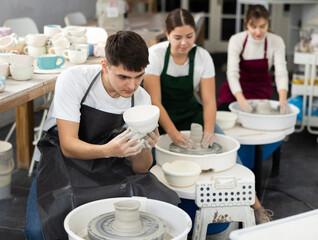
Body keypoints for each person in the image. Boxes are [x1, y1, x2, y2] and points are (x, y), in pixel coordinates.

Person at [24, 31, 180, 240]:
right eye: (123, 77)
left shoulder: (142, 99)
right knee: (39, 232)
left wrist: (145, 147)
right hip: (61, 159)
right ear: (105, 65)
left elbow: (140, 168)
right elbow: (68, 145)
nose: (132, 86)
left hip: (108, 163)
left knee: (163, 205)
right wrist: (109, 150)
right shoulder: (74, 80)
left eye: (138, 76)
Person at [144, 8, 272, 237]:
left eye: (189, 36)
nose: (184, 43)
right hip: (161, 117)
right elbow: (155, 102)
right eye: (178, 37)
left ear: (196, 33)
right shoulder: (155, 55)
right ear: (167, 33)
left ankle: (256, 209)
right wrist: (172, 134)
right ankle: (163, 217)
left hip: (192, 114)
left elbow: (209, 101)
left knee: (230, 154)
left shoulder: (202, 57)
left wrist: (210, 131)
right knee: (156, 165)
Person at [217, 4, 288, 114]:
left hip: (261, 89)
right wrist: (241, 101)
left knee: (259, 115)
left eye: (262, 26)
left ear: (268, 22)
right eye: (253, 27)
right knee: (224, 112)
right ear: (246, 23)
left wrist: (283, 101)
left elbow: (281, 73)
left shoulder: (276, 41)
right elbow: (232, 74)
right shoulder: (236, 40)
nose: (258, 32)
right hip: (237, 86)